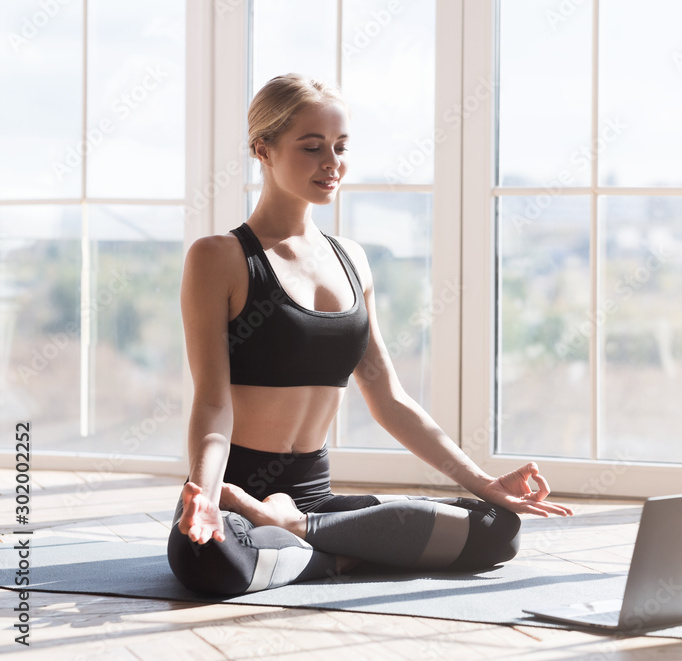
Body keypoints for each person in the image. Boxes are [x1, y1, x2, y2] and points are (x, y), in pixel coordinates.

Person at [166, 73, 573, 596]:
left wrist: (486, 483)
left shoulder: (352, 260)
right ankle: (339, 548)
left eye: (340, 147)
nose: (331, 163)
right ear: (262, 149)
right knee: (213, 562)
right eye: (311, 147)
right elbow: (213, 400)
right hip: (234, 493)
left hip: (316, 500)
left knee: (498, 530)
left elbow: (390, 399)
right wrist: (202, 491)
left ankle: (299, 532)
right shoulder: (218, 257)